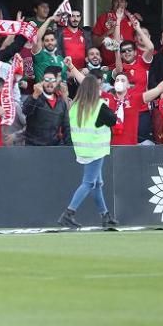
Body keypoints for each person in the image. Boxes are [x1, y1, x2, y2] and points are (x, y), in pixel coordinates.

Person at [57, 75, 119, 230]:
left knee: (97, 183)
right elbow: (113, 120)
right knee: (89, 183)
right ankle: (69, 213)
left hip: (82, 149)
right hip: (96, 148)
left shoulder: (76, 106)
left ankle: (105, 215)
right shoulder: (98, 106)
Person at [22, 66, 72, 147]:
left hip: (54, 148)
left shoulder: (61, 102)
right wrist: (35, 95)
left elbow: (66, 127)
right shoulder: (35, 98)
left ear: (56, 83)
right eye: (47, 80)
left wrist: (69, 147)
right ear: (42, 82)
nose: (50, 83)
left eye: (53, 80)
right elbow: (25, 110)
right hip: (33, 148)